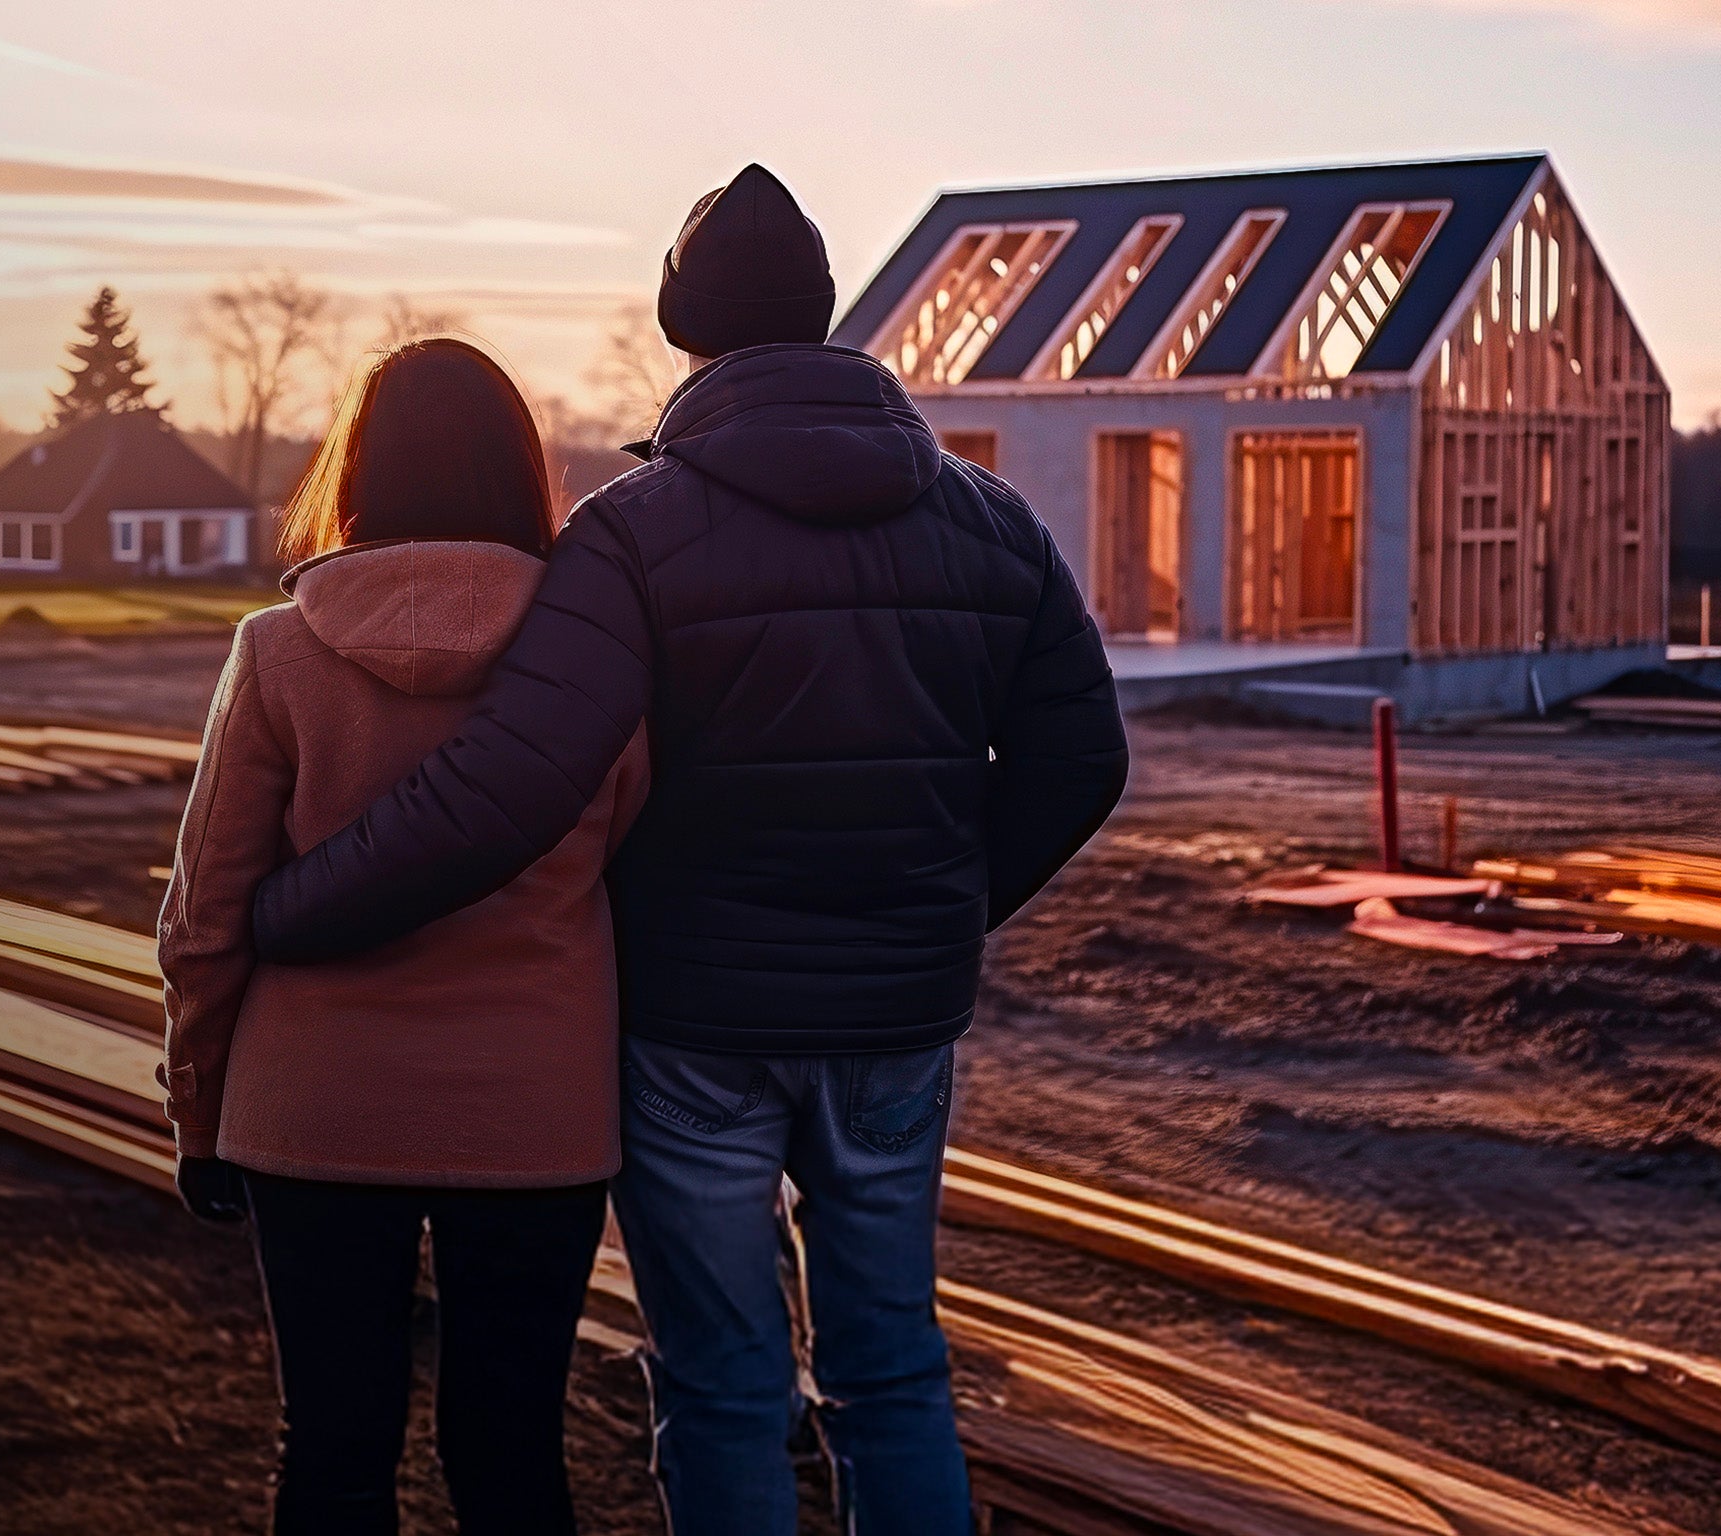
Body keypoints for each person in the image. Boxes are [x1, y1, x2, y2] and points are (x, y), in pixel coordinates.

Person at [248, 165, 1129, 1536]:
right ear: (830, 317)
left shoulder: (633, 537)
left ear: (683, 325)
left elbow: (510, 786)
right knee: (894, 1369)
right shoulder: (988, 520)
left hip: (694, 1030)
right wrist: (942, 908)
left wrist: (293, 906)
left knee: (723, 1379)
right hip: (895, 1022)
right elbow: (1082, 759)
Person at [158, 336, 651, 1536]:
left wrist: (198, 1109)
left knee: (330, 1449)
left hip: (309, 1106)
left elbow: (206, 909)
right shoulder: (593, 662)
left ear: (357, 467)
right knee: (510, 1451)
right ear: (516, 470)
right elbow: (630, 862)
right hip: (531, 1109)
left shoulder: (274, 652)